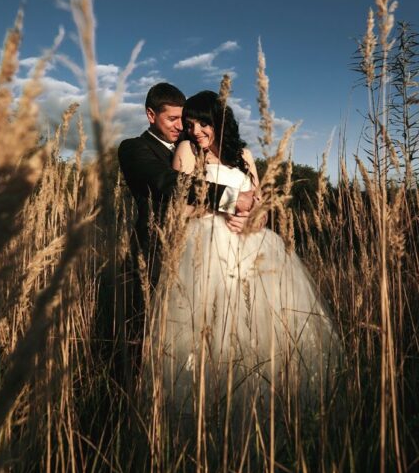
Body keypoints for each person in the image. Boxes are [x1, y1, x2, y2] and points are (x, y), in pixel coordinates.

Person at [145, 90, 340, 417]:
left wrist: (254, 216)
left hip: (253, 246)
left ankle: (263, 399)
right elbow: (178, 207)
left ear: (218, 122)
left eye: (202, 123)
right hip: (205, 249)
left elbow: (261, 203)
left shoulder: (244, 155)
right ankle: (211, 404)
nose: (195, 131)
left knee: (258, 324)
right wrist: (224, 211)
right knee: (210, 325)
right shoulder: (187, 151)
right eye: (189, 124)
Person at [116, 83, 252, 381]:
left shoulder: (198, 147)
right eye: (172, 120)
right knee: (148, 344)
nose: (181, 127)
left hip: (203, 260)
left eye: (184, 120)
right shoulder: (133, 149)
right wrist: (231, 199)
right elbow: (167, 182)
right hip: (153, 259)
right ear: (151, 115)